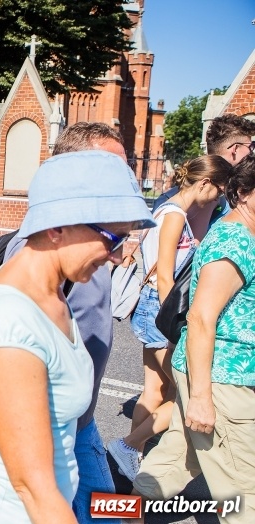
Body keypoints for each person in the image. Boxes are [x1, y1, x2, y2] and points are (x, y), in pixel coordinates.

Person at [0, 150, 156, 524]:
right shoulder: (12, 320)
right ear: (57, 226)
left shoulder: (53, 289)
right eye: (112, 238)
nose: (117, 256)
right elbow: (33, 486)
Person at [129, 155, 255, 524]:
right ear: (244, 193)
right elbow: (200, 317)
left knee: (179, 456)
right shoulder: (234, 240)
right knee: (243, 488)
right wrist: (201, 397)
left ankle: (124, 516)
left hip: (215, 371)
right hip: (223, 376)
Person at [108, 155, 232, 484]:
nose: (219, 198)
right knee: (188, 393)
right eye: (219, 191)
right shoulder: (174, 215)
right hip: (159, 310)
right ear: (205, 183)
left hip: (152, 307)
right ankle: (128, 445)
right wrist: (176, 324)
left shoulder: (170, 211)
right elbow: (165, 276)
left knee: (154, 390)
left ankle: (130, 457)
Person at [153, 114, 255, 239]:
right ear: (235, 149)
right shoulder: (207, 192)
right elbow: (195, 246)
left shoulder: (185, 189)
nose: (251, 152)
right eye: (250, 146)